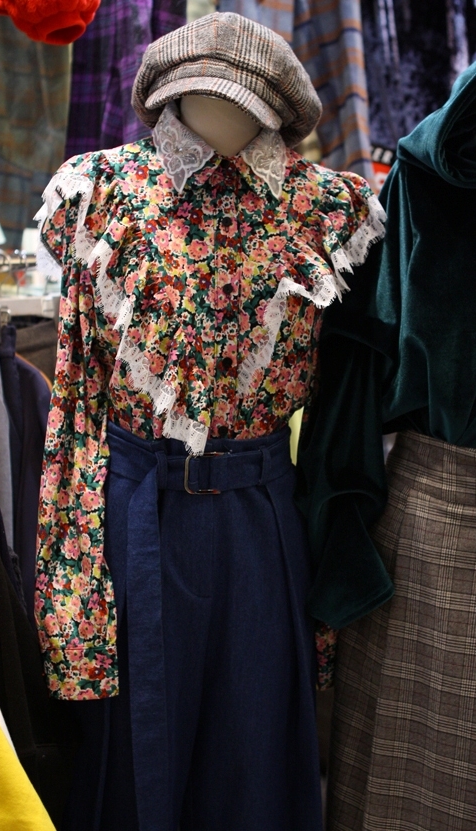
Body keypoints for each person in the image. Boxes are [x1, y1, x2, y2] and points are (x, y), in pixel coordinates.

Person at [34, 12, 385, 830]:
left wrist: (329, 606)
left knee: (254, 776)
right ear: (169, 92)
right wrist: (74, 612)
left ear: (278, 108)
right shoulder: (100, 194)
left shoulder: (331, 211)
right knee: (132, 775)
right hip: (133, 517)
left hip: (263, 526)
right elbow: (75, 408)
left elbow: (340, 425)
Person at [297, 60, 476, 831]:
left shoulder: (415, 178)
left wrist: (338, 515)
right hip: (434, 511)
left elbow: (354, 365)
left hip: (427, 508)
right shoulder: (414, 181)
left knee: (404, 784)